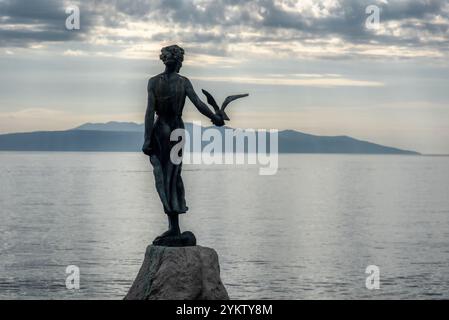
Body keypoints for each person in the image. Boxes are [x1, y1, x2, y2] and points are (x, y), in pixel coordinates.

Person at [142, 45, 224, 242]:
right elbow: (198, 103)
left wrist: (146, 138)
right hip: (175, 129)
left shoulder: (153, 82)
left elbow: (149, 112)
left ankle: (173, 226)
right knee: (172, 176)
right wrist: (215, 117)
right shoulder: (183, 82)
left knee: (166, 176)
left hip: (161, 129)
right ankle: (174, 226)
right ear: (179, 62)